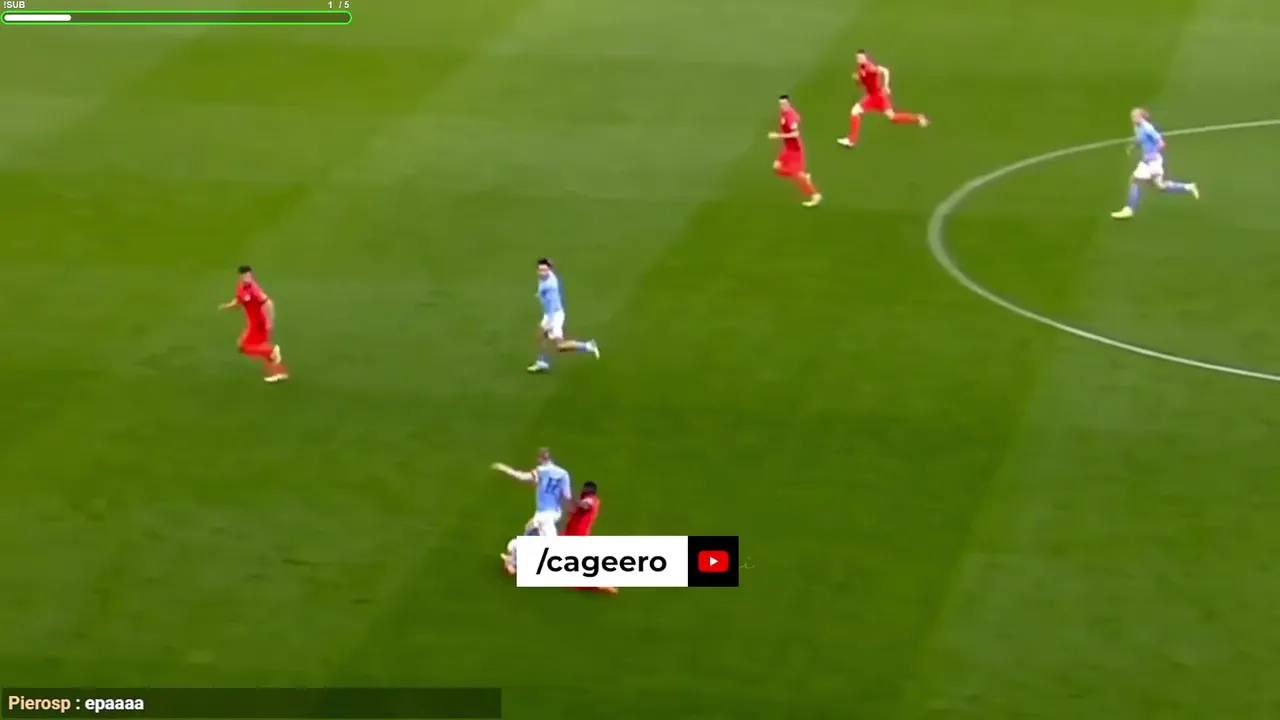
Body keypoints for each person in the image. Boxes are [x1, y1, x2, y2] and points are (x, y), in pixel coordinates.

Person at [1111, 108, 1199, 219]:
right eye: (1131, 116)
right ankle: (1188, 187)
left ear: (1141, 117)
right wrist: (1132, 145)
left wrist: (1152, 153)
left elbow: (1161, 143)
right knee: (1160, 186)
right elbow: (1140, 138)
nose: (1132, 118)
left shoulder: (1148, 128)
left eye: (1134, 116)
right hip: (1154, 161)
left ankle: (1129, 209)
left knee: (1135, 181)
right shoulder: (1137, 127)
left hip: (1151, 162)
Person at [218, 265, 287, 382]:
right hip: (253, 323)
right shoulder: (241, 287)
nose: (247, 278)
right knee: (252, 347)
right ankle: (279, 372)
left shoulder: (254, 290)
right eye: (244, 276)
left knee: (244, 346)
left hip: (260, 324)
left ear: (252, 275)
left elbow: (269, 303)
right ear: (240, 277)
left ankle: (272, 351)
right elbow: (238, 301)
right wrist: (227, 306)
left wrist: (270, 321)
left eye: (249, 276)